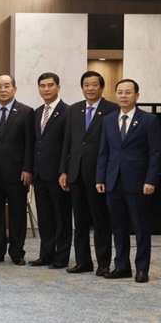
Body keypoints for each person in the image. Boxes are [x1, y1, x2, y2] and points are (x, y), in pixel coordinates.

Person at [96, 79, 160, 283]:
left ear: (137, 96)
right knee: (118, 226)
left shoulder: (149, 120)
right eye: (120, 92)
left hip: (139, 183)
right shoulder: (108, 119)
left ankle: (142, 269)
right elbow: (103, 152)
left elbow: (155, 153)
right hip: (113, 181)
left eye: (128, 92)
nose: (123, 96)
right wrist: (100, 177)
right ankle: (122, 266)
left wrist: (151, 180)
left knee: (141, 228)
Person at [59, 71, 117, 276]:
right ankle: (83, 262)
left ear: (101, 87)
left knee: (101, 221)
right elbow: (68, 142)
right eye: (86, 85)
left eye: (94, 85)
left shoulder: (112, 109)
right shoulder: (74, 109)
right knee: (80, 221)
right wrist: (63, 171)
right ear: (82, 87)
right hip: (75, 173)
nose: (90, 88)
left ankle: (103, 263)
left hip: (98, 175)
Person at [0, 74, 34, 265]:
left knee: (17, 213)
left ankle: (17, 252)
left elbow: (30, 143)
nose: (3, 90)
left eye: (6, 86)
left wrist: (28, 168)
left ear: (14, 88)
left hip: (17, 172)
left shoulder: (27, 112)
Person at [28, 72, 72, 269]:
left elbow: (68, 145)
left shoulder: (68, 112)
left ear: (58, 87)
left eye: (50, 85)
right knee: (45, 218)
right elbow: (34, 144)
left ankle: (61, 257)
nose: (46, 89)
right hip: (40, 175)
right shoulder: (36, 112)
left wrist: (64, 171)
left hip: (58, 175)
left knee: (61, 218)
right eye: (42, 86)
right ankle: (46, 255)